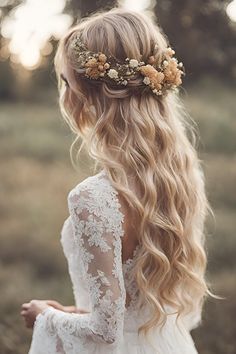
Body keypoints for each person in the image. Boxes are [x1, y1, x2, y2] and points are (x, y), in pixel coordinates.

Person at [21, 8, 214, 354]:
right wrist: (72, 313)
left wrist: (46, 315)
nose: (65, 96)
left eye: (68, 82)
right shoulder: (183, 176)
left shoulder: (93, 197)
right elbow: (135, 309)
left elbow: (106, 331)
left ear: (91, 95)